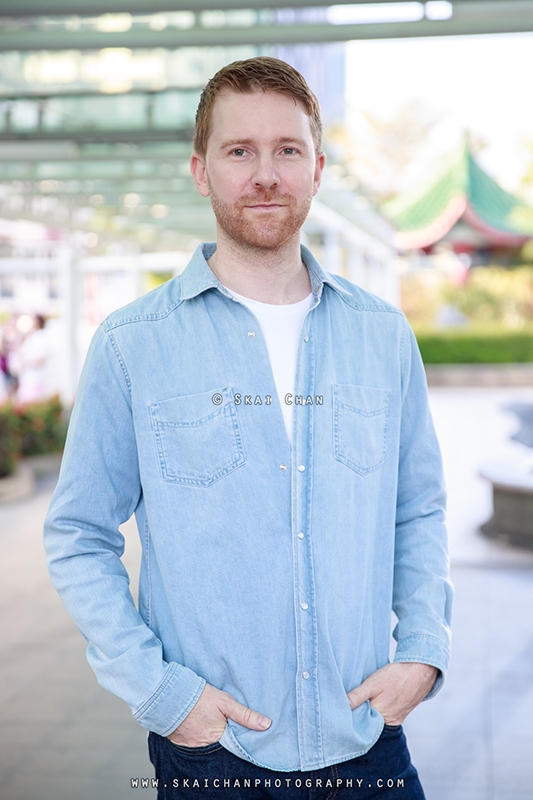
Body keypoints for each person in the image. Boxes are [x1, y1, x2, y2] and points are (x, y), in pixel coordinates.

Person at [44, 57, 453, 798]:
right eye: (240, 152)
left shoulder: (382, 335)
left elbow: (416, 508)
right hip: (214, 752)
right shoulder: (133, 344)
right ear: (202, 172)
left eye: (286, 150)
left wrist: (422, 652)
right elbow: (78, 533)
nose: (265, 174)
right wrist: (165, 696)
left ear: (318, 168)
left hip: (365, 739)